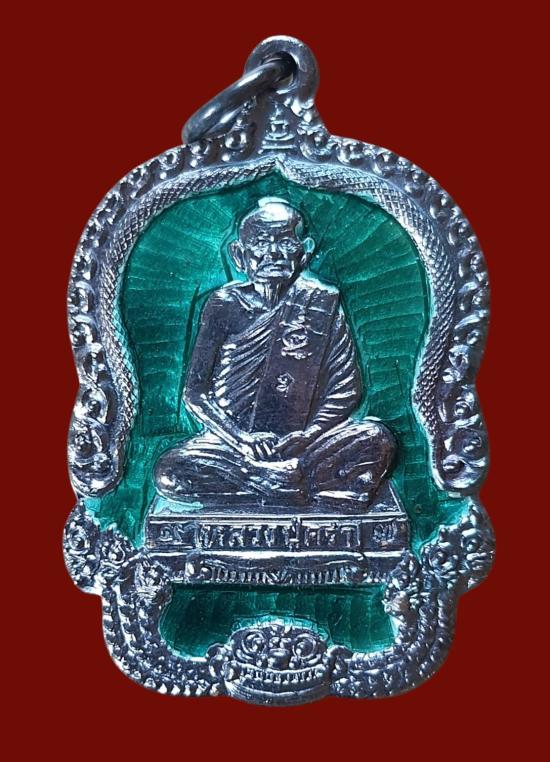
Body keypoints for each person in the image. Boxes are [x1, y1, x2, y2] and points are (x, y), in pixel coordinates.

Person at [154, 197, 396, 508]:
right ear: (239, 255)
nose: (273, 253)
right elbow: (195, 394)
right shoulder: (224, 305)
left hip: (305, 446)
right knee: (170, 472)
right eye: (261, 242)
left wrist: (308, 436)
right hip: (232, 446)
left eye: (285, 241)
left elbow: (346, 390)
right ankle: (286, 485)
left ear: (304, 251)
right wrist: (241, 440)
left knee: (377, 439)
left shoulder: (320, 303)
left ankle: (273, 484)